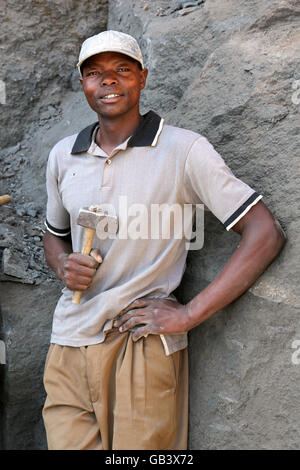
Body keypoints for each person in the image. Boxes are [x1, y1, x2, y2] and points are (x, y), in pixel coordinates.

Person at [42, 30, 286, 450]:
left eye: (122, 69)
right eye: (95, 73)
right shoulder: (64, 155)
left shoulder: (183, 150)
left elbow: (265, 233)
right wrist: (63, 265)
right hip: (67, 346)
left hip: (140, 343)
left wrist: (188, 314)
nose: (108, 81)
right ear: (82, 83)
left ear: (143, 78)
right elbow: (54, 235)